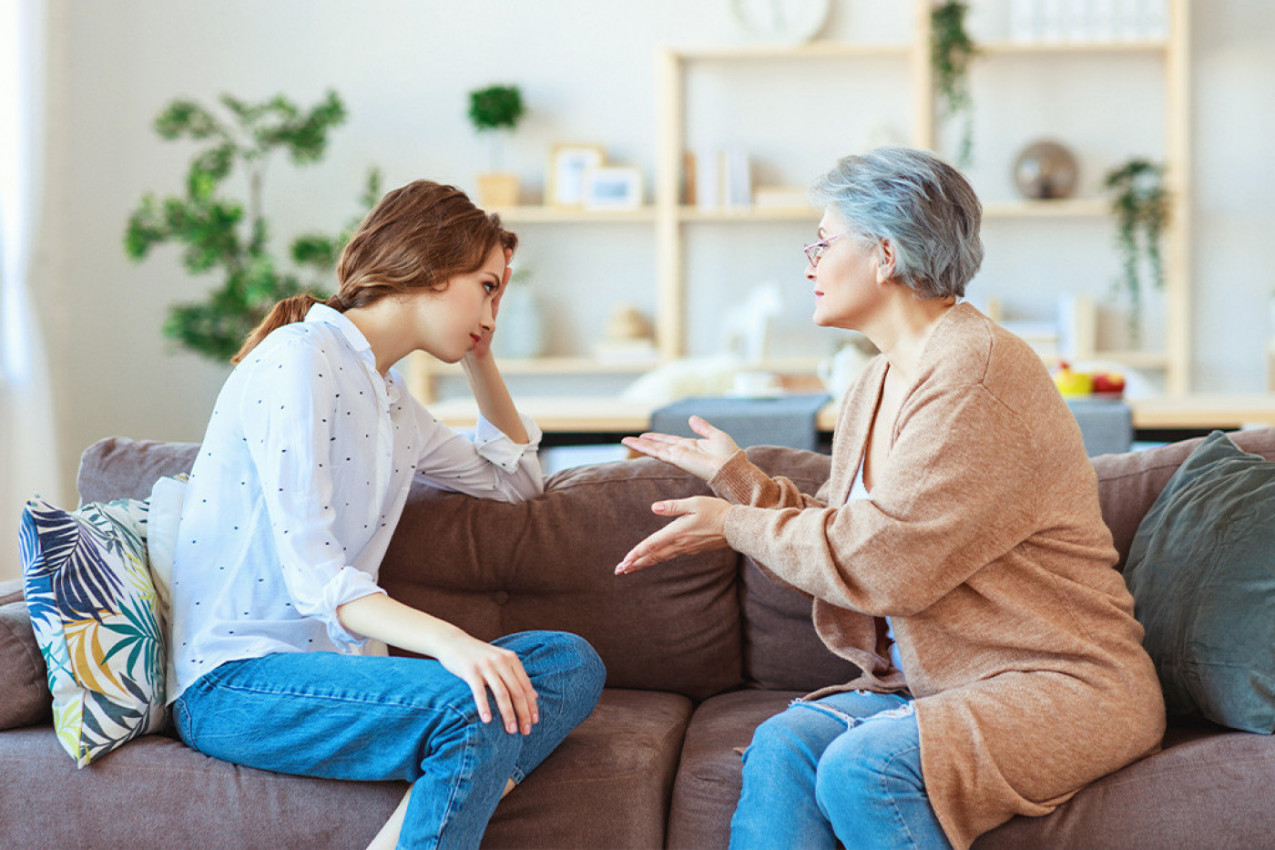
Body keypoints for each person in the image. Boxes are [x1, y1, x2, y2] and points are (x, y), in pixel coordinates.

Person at [615, 147, 1164, 850]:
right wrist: (738, 482)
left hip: (1063, 682)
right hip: (943, 684)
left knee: (863, 768)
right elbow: (859, 535)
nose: (808, 262)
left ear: (882, 254)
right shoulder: (876, 380)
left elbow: (886, 566)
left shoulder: (972, 374)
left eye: (821, 241)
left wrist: (737, 523)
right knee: (784, 746)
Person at [167, 180, 605, 850]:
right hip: (236, 681)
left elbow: (514, 483)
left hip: (337, 675)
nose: (495, 308)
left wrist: (480, 357)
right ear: (433, 271)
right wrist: (452, 644)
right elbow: (315, 576)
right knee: (474, 702)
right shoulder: (298, 358)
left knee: (567, 661)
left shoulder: (392, 399)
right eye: (487, 287)